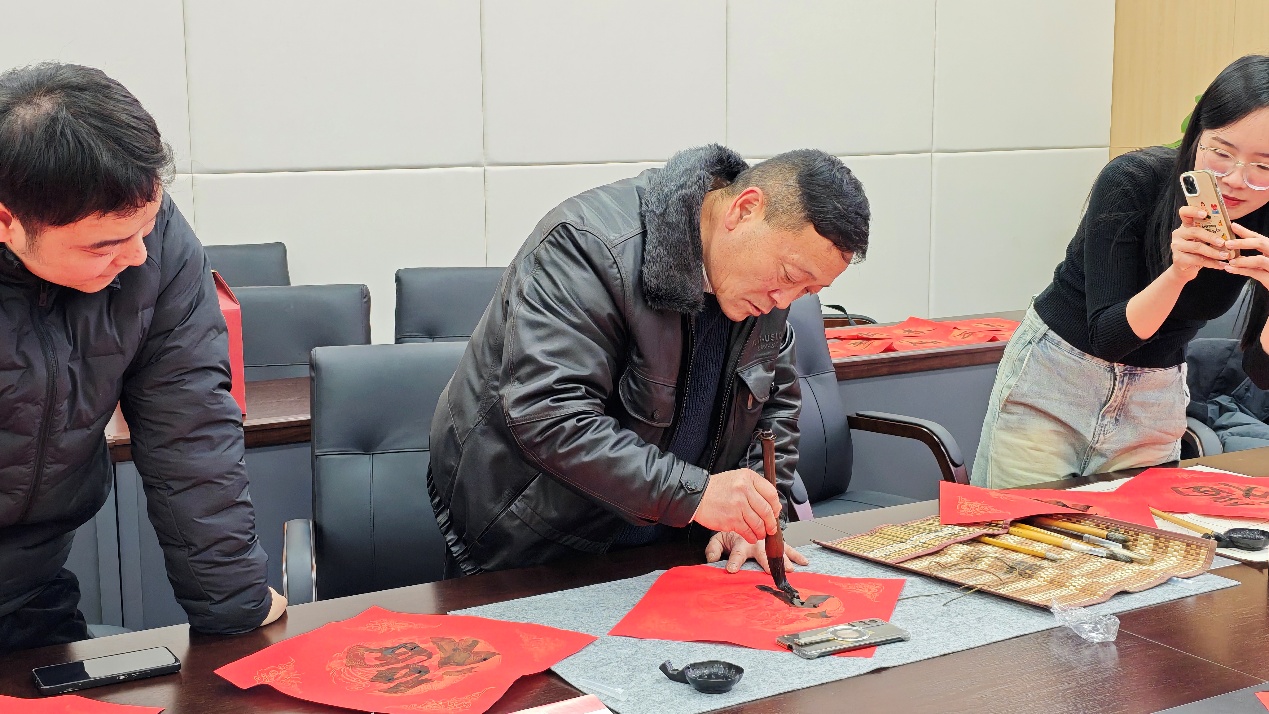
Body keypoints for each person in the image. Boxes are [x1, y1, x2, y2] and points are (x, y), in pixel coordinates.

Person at [428, 145, 870, 575]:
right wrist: (697, 494)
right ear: (744, 210)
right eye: (790, 276)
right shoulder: (589, 245)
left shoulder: (766, 283)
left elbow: (774, 404)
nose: (785, 300)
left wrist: (751, 517)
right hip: (537, 541)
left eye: (808, 290)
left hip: (670, 543)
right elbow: (549, 415)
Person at [0, 63, 285, 651]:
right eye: (103, 246)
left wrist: (234, 604)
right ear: (7, 219)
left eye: (145, 229)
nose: (135, 256)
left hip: (31, 588)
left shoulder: (149, 240)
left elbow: (191, 426)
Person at [972, 55, 1269, 489]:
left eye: (1264, 167)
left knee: (1137, 528)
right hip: (1058, 377)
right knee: (1024, 524)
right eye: (1221, 153)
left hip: (1155, 396)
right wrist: (1178, 273)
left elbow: (1261, 372)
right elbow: (1109, 337)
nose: (1236, 180)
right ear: (1196, 136)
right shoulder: (1133, 181)